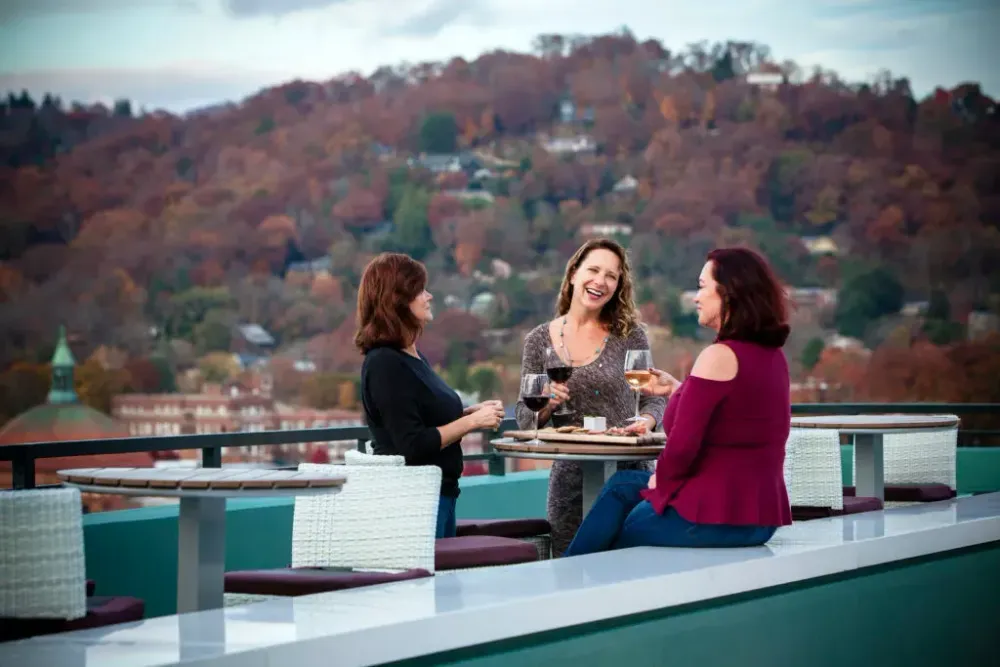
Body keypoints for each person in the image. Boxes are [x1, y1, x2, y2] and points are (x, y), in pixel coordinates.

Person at [564, 247, 793, 556]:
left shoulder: (718, 356)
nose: (696, 297)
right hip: (759, 516)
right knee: (623, 485)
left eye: (701, 286)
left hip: (714, 516)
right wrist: (679, 390)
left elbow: (683, 447)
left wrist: (663, 486)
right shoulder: (771, 356)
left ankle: (572, 579)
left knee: (611, 541)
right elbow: (733, 413)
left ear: (729, 293)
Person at [515, 238, 666, 557]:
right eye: (594, 270)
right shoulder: (539, 339)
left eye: (611, 275)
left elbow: (655, 398)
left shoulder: (630, 335)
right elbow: (525, 416)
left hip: (627, 476)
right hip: (571, 481)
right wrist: (547, 404)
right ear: (573, 274)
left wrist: (646, 421)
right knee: (571, 572)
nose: (601, 281)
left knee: (630, 571)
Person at [356, 252, 505, 539]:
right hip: (416, 502)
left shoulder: (411, 356)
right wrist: (472, 424)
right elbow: (411, 444)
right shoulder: (385, 363)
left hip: (441, 494)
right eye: (420, 290)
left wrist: (469, 414)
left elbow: (424, 422)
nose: (429, 296)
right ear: (398, 300)